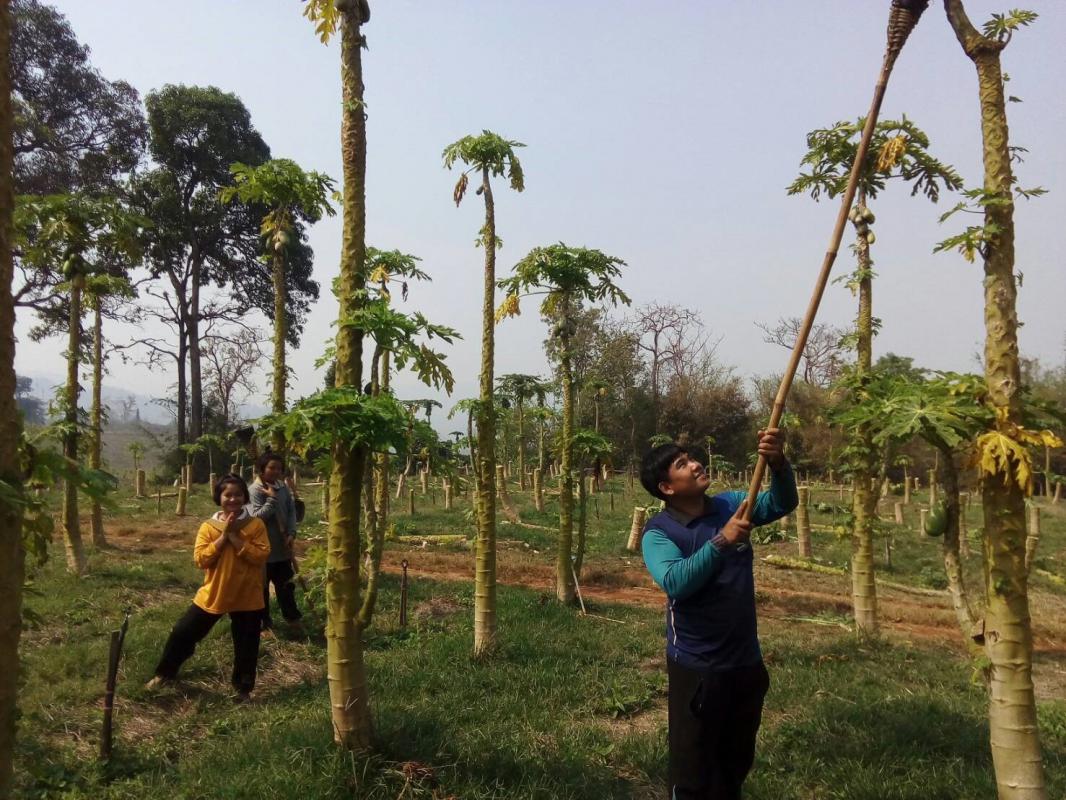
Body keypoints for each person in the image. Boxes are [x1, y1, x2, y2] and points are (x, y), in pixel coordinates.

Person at [639, 429, 797, 800]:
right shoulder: (659, 533)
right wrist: (722, 541)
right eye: (682, 464)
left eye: (691, 457)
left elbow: (781, 503)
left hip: (745, 661)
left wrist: (778, 463)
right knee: (693, 771)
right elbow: (676, 582)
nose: (696, 464)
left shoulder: (732, 505)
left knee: (734, 765)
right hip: (697, 668)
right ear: (667, 487)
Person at [146, 474, 269, 701]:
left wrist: (236, 537)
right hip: (214, 592)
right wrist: (224, 536)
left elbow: (261, 555)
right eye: (228, 494)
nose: (233, 499)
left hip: (247, 595)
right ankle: (165, 674)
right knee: (183, 632)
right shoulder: (208, 527)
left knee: (247, 644)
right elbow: (201, 559)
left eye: (238, 494)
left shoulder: (255, 525)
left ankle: (243, 689)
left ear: (245, 497)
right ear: (218, 497)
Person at [248, 451, 302, 634]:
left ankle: (292, 618)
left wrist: (292, 533)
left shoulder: (282, 487)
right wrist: (270, 499)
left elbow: (291, 511)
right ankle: (264, 623)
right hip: (263, 550)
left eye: (279, 468)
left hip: (283, 547)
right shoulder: (254, 490)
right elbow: (256, 518)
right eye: (271, 467)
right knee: (261, 588)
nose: (275, 471)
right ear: (262, 469)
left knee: (286, 585)